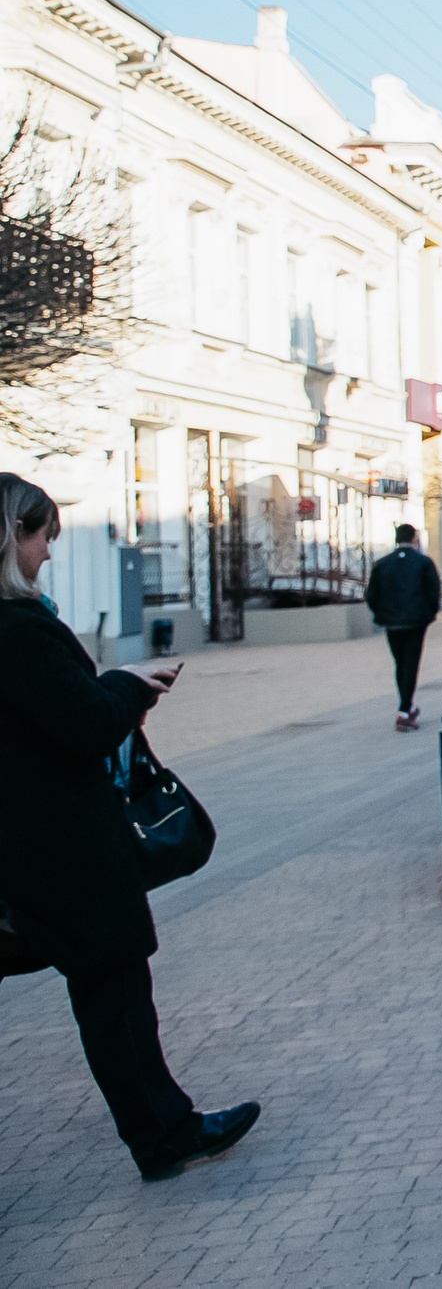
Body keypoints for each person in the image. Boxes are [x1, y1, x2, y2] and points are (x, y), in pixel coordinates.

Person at [0, 473, 261, 1180]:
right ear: (9, 537)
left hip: (38, 842)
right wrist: (124, 685)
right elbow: (82, 725)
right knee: (114, 993)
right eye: (40, 537)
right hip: (62, 847)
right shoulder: (18, 631)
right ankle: (164, 1135)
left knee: (111, 989)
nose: (48, 553)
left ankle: (165, 1129)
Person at [363, 523, 439, 731]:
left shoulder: (382, 564)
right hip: (416, 620)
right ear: (414, 538)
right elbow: (433, 591)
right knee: (411, 663)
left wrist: (381, 613)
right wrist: (430, 612)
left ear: (396, 538)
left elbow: (371, 595)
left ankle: (407, 706)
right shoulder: (423, 563)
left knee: (400, 663)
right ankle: (405, 710)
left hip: (391, 621)